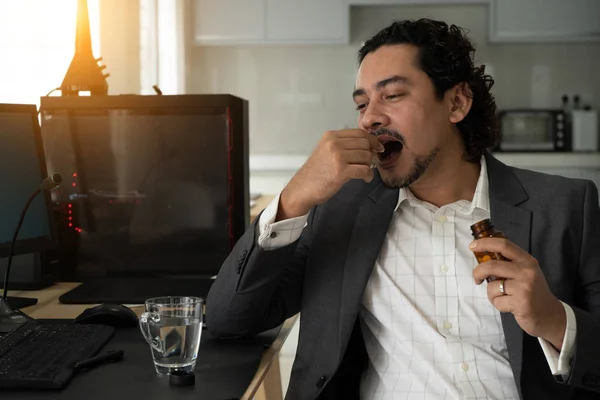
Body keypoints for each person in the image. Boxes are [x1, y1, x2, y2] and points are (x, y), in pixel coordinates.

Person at [206, 18, 600, 400]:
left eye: (391, 95)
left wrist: (554, 320)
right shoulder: (340, 211)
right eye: (362, 103)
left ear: (457, 102)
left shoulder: (567, 207)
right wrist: (293, 198)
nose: (370, 117)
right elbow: (229, 318)